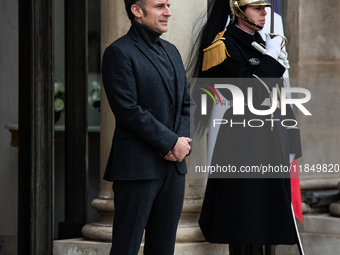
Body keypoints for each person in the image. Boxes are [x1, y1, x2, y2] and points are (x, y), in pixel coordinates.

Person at [189, 0, 303, 254]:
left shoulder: (263, 42)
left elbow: (279, 97)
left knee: (266, 221)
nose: (265, 13)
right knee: (244, 222)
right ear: (238, 11)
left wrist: (292, 138)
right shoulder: (224, 46)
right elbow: (249, 91)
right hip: (241, 144)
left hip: (269, 141)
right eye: (257, 8)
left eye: (266, 7)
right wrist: (272, 58)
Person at [101, 0, 192, 254]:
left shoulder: (172, 50)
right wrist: (169, 143)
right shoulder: (118, 52)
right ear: (137, 11)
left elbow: (186, 104)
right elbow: (128, 110)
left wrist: (181, 144)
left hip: (173, 169)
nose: (168, 12)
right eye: (160, 6)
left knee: (164, 249)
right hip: (137, 169)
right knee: (125, 248)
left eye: (168, 5)